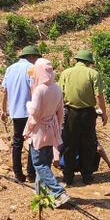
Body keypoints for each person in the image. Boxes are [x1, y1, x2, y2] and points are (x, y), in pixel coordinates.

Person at [59, 49, 109, 185]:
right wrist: (104, 113)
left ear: (77, 60)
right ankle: (87, 175)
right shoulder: (93, 74)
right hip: (88, 113)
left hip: (70, 113)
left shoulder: (65, 73)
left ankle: (68, 176)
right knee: (88, 144)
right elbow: (98, 95)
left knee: (70, 144)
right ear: (88, 62)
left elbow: (60, 95)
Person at [25, 58, 69, 208]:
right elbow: (60, 112)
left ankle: (58, 192)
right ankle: (40, 193)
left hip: (39, 130)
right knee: (45, 162)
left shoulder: (40, 89)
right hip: (51, 128)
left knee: (39, 164)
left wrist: (28, 103)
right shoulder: (56, 88)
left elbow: (34, 111)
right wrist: (57, 128)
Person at [0, 45, 41, 182]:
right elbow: (33, 89)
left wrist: (3, 110)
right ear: (30, 56)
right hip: (30, 112)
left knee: (17, 142)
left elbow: (4, 91)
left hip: (15, 112)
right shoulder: (31, 69)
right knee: (33, 142)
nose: (36, 61)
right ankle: (31, 173)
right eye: (36, 57)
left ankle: (18, 173)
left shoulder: (10, 69)